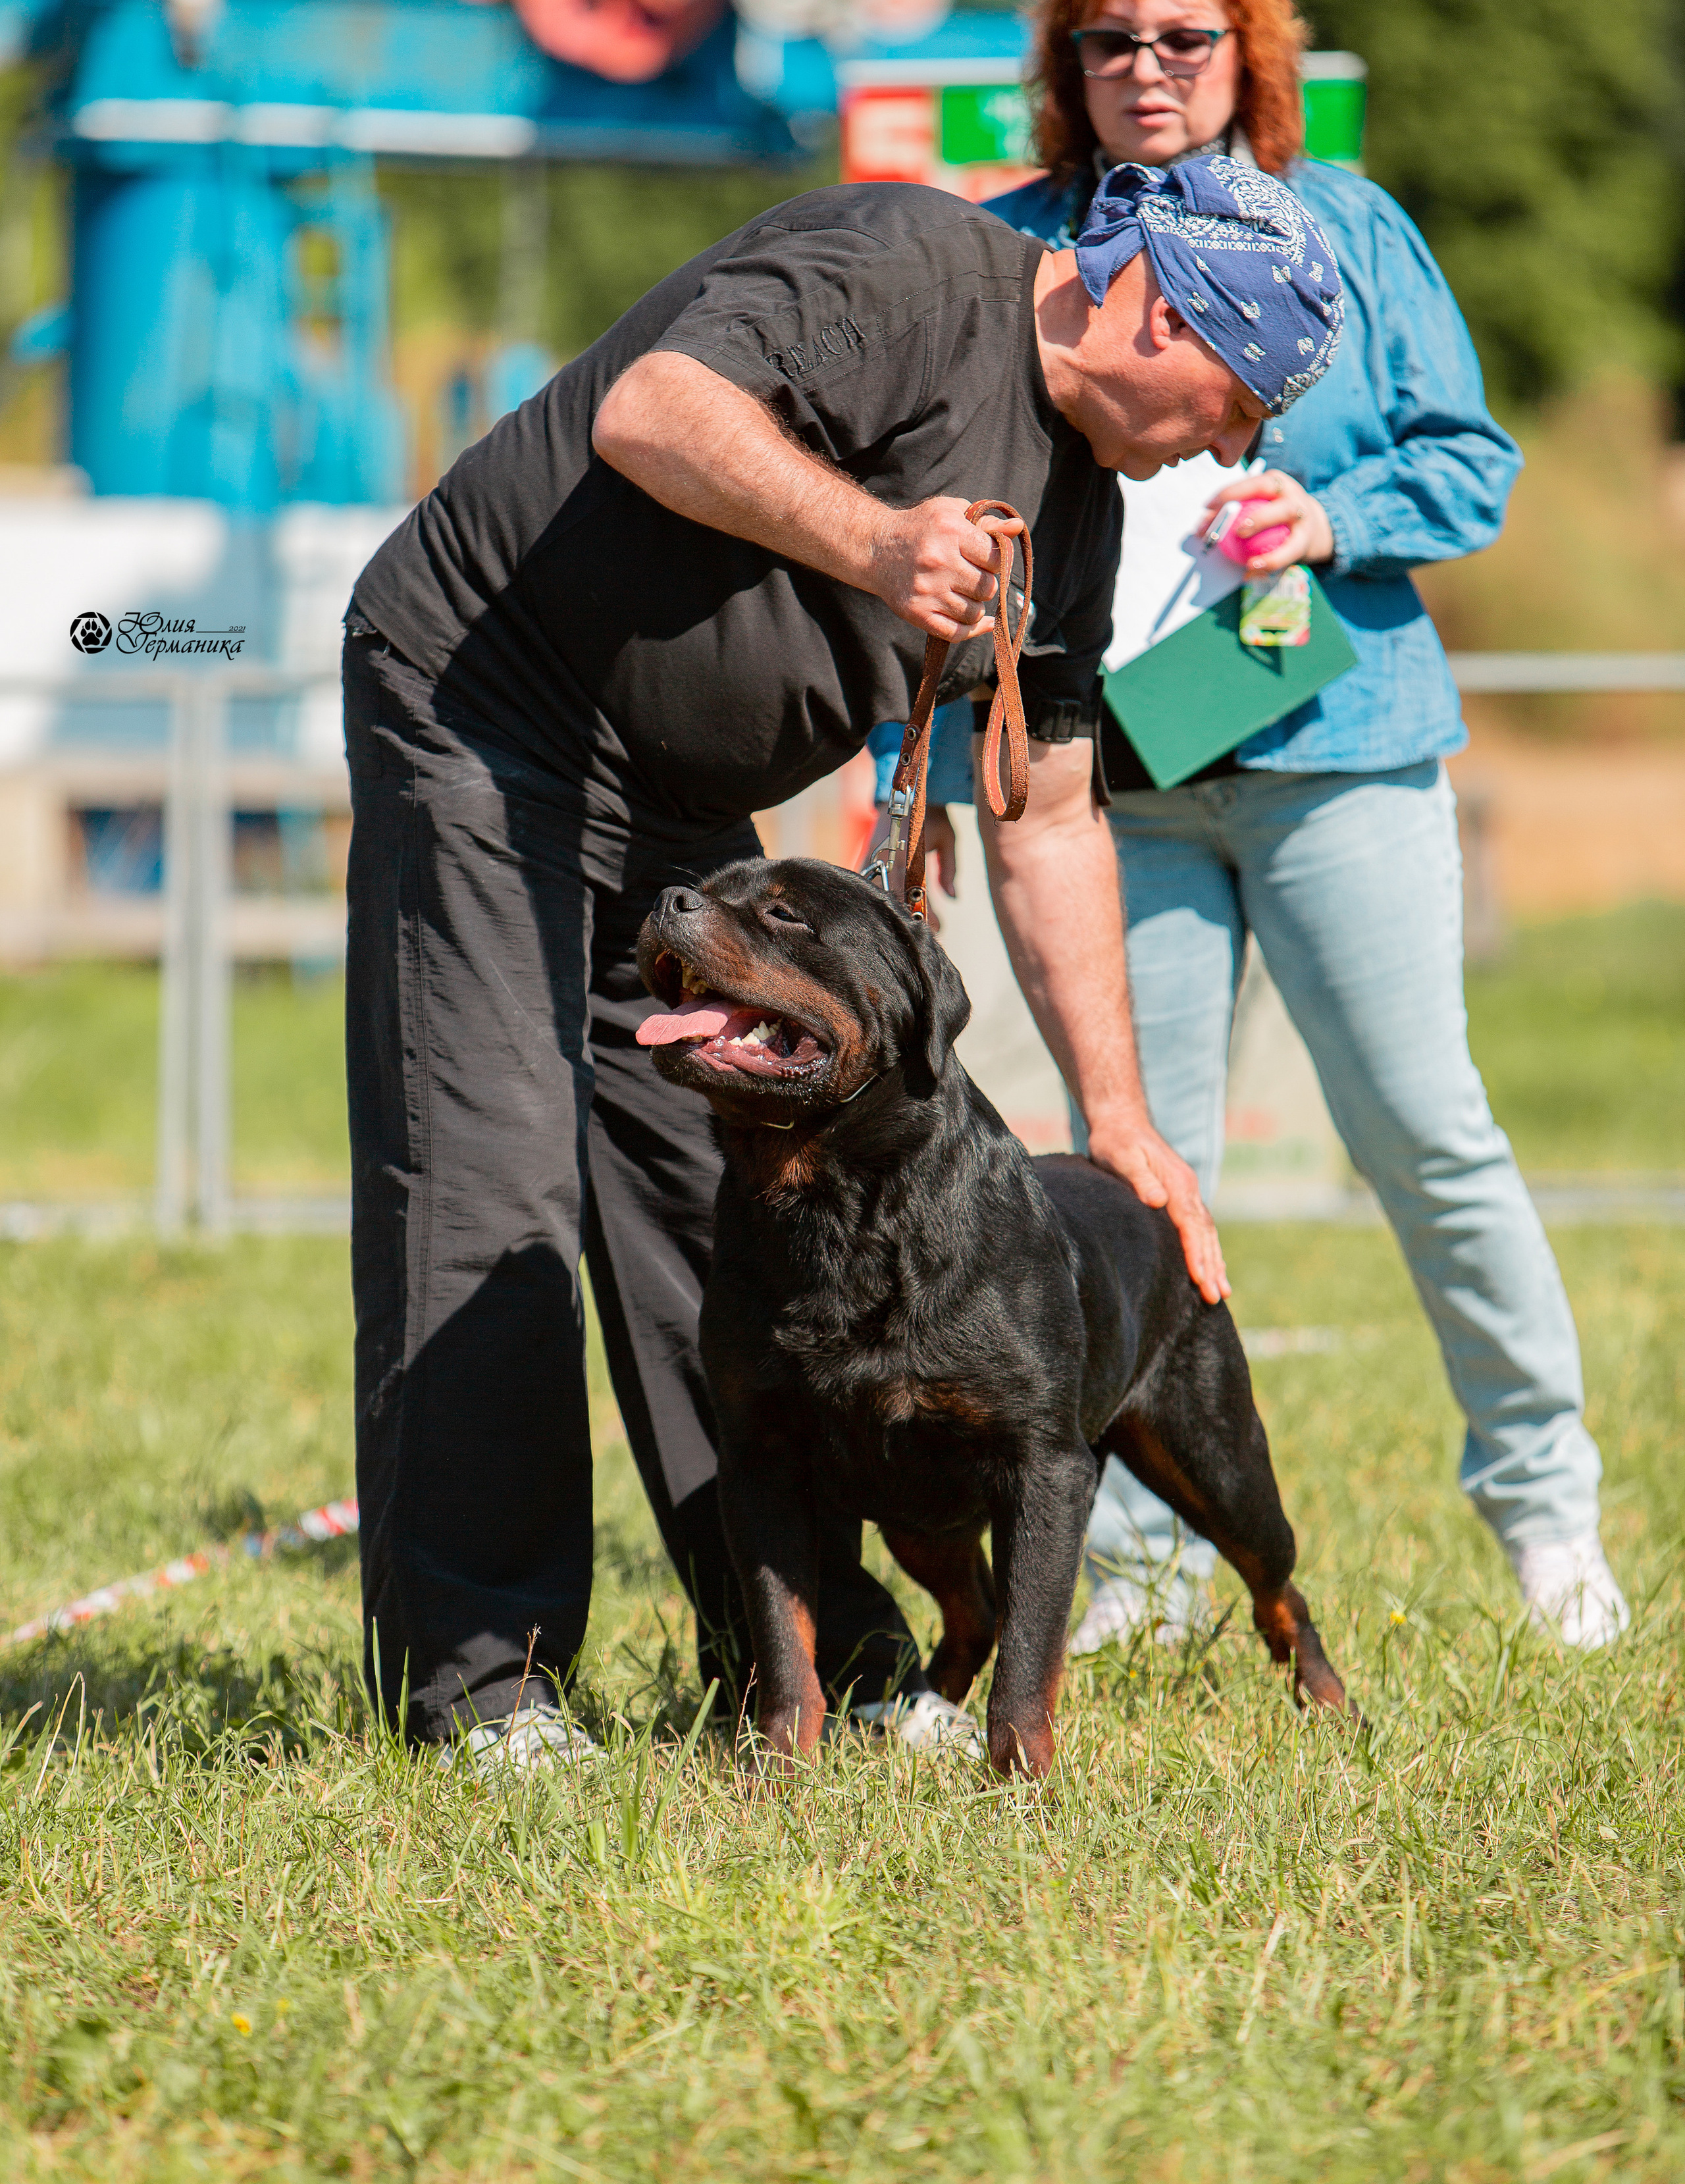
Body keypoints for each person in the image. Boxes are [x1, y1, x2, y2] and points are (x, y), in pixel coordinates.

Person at [340, 164, 1345, 1773]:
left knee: (723, 1207)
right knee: (490, 1189)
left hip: (680, 811)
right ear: (1157, 308)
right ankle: (484, 1691)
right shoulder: (899, 264)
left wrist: (1121, 1118)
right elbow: (654, 411)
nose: (1229, 450)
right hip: (487, 707)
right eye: (1235, 401)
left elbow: (1052, 814)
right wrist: (877, 540)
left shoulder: (1073, 508)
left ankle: (817, 1671)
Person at [977, 0, 1627, 1652]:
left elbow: (1469, 463)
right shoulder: (1012, 236)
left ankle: (1547, 1517)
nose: (1146, 67)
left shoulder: (1348, 220)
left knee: (1427, 1133)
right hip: (1113, 793)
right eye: (1107, 41)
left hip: (1337, 747)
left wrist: (1326, 513)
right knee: (1134, 1182)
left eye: (1182, 35)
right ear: (1067, 66)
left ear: (1247, 48)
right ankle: (1145, 1562)